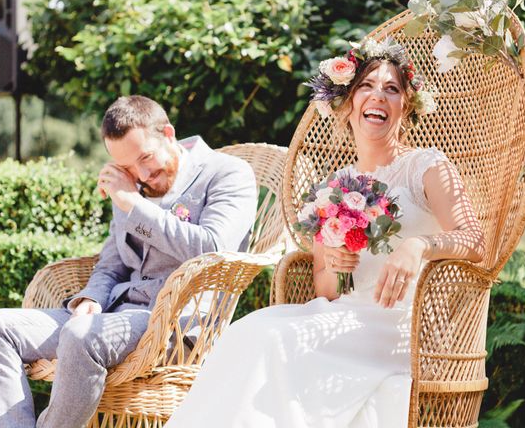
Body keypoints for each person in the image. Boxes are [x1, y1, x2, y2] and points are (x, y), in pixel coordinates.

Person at [165, 38, 485, 427]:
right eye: (366, 86)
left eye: (392, 89)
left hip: (403, 326)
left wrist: (420, 245)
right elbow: (326, 290)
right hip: (345, 317)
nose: (378, 97)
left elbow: (476, 240)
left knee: (273, 341)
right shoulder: (334, 187)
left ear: (406, 106)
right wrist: (334, 263)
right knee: (245, 332)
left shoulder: (428, 167)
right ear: (347, 103)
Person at [0, 95, 258, 428]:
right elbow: (111, 263)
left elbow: (213, 249)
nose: (142, 174)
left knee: (80, 336)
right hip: (109, 317)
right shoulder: (132, 185)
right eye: (127, 167)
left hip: (171, 322)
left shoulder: (227, 174)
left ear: (168, 133)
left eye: (145, 158)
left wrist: (134, 206)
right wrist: (90, 299)